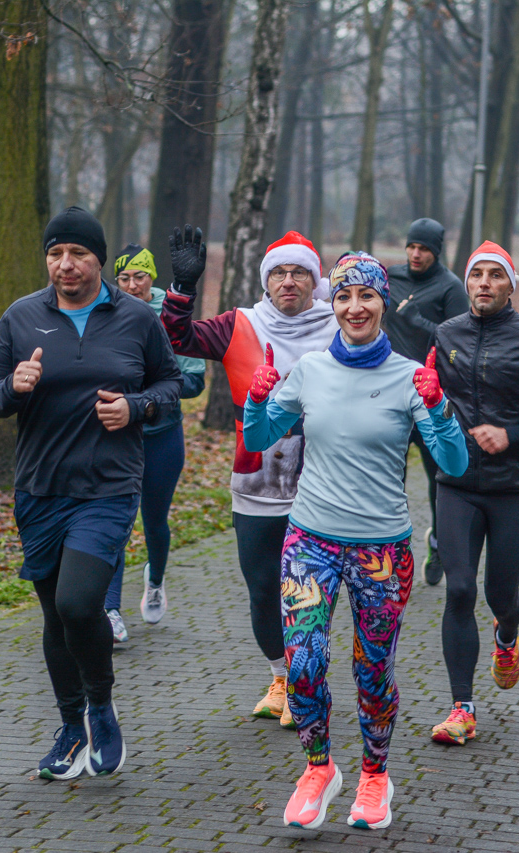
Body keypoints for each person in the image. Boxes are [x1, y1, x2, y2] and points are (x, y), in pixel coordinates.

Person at [242, 251, 468, 830]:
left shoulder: (409, 376)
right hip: (310, 540)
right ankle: (318, 769)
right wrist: (257, 397)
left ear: (382, 303)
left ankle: (374, 776)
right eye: (343, 296)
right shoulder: (311, 370)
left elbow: (454, 462)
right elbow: (260, 437)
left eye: (366, 295)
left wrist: (440, 408)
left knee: (373, 670)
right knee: (304, 665)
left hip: (380, 552)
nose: (354, 306)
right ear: (332, 303)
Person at [0, 207, 183, 780]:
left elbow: (172, 384)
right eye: (56, 254)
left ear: (99, 260)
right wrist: (12, 387)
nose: (66, 265)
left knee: (77, 603)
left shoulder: (137, 318)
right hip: (40, 489)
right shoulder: (21, 317)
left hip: (109, 488)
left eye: (79, 255)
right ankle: (70, 728)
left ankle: (101, 706)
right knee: (54, 615)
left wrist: (136, 407)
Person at [159, 225, 337, 729]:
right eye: (278, 272)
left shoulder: (338, 326)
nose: (288, 282)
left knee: (308, 590)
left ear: (313, 281)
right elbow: (178, 338)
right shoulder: (242, 323)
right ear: (266, 281)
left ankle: (308, 680)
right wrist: (183, 288)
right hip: (256, 480)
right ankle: (280, 677)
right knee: (262, 589)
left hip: (321, 479)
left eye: (299, 273)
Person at [425, 241, 519, 747]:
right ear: (466, 282)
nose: (484, 283)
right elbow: (423, 397)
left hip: (514, 487)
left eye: (496, 275)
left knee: (499, 595)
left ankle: (508, 631)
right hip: (457, 484)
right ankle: (462, 707)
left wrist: (511, 434)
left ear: (511, 284)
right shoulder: (444, 334)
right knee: (460, 590)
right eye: (477, 275)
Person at [99, 244, 207, 640]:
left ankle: (156, 579)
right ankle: (110, 610)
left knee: (154, 521)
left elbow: (194, 381)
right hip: (118, 437)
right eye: (124, 278)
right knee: (117, 524)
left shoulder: (172, 315)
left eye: (139, 277)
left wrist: (153, 389)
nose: (131, 285)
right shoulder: (104, 310)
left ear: (153, 278)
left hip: (162, 435)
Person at [383, 218, 470, 586]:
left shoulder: (449, 287)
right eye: (412, 247)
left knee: (440, 477)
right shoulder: (391, 277)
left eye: (425, 249)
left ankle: (438, 541)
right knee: (388, 477)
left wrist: (418, 320)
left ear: (436, 252)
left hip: (431, 396)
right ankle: (388, 551)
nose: (416, 254)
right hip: (389, 393)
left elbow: (461, 341)